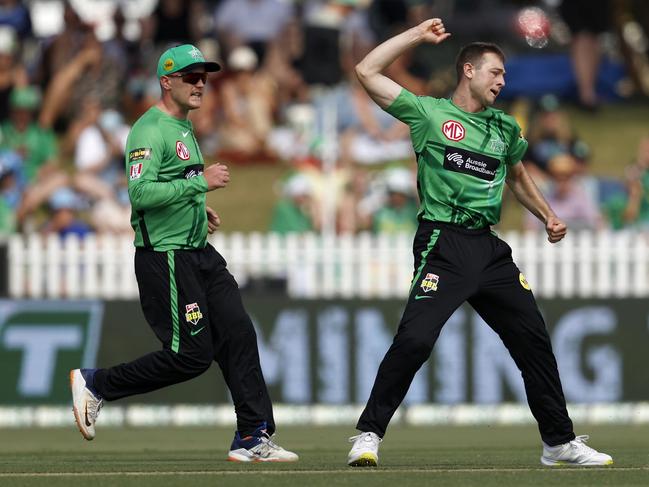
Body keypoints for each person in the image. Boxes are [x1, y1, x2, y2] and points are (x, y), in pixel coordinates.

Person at [346, 18, 613, 467]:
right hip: (443, 243)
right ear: (468, 71)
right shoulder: (428, 113)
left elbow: (519, 176)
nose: (502, 82)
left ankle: (558, 442)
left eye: (505, 76)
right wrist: (416, 36)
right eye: (496, 73)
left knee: (534, 341)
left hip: (489, 250)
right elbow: (366, 72)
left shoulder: (505, 128)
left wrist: (547, 214)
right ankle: (368, 433)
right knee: (415, 340)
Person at [69, 44, 298, 463]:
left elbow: (174, 184)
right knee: (190, 357)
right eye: (191, 77)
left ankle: (253, 435)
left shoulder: (184, 128)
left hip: (198, 252)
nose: (200, 84)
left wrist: (196, 207)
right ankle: (97, 383)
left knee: (239, 333)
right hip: (167, 258)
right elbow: (138, 194)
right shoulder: (148, 130)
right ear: (166, 81)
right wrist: (198, 187)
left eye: (204, 77)